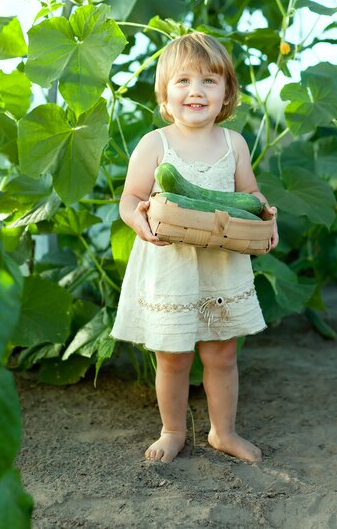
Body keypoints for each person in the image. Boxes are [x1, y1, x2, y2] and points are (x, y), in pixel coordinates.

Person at [111, 32, 278, 464]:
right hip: (171, 263)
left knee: (222, 354)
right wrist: (140, 220)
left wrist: (266, 215)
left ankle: (223, 432)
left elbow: (250, 194)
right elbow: (130, 199)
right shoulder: (155, 144)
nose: (196, 91)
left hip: (220, 262)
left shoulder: (233, 143)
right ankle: (172, 431)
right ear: (165, 95)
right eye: (183, 81)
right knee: (172, 356)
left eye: (209, 80)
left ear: (226, 95)